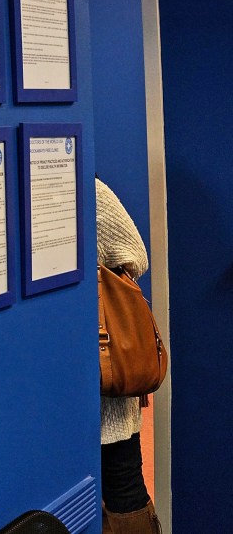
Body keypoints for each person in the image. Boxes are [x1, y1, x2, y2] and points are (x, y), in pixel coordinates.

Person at [96, 178, 161, 533]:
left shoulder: (85, 190)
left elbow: (134, 255)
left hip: (108, 383)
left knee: (122, 485)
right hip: (55, 390)